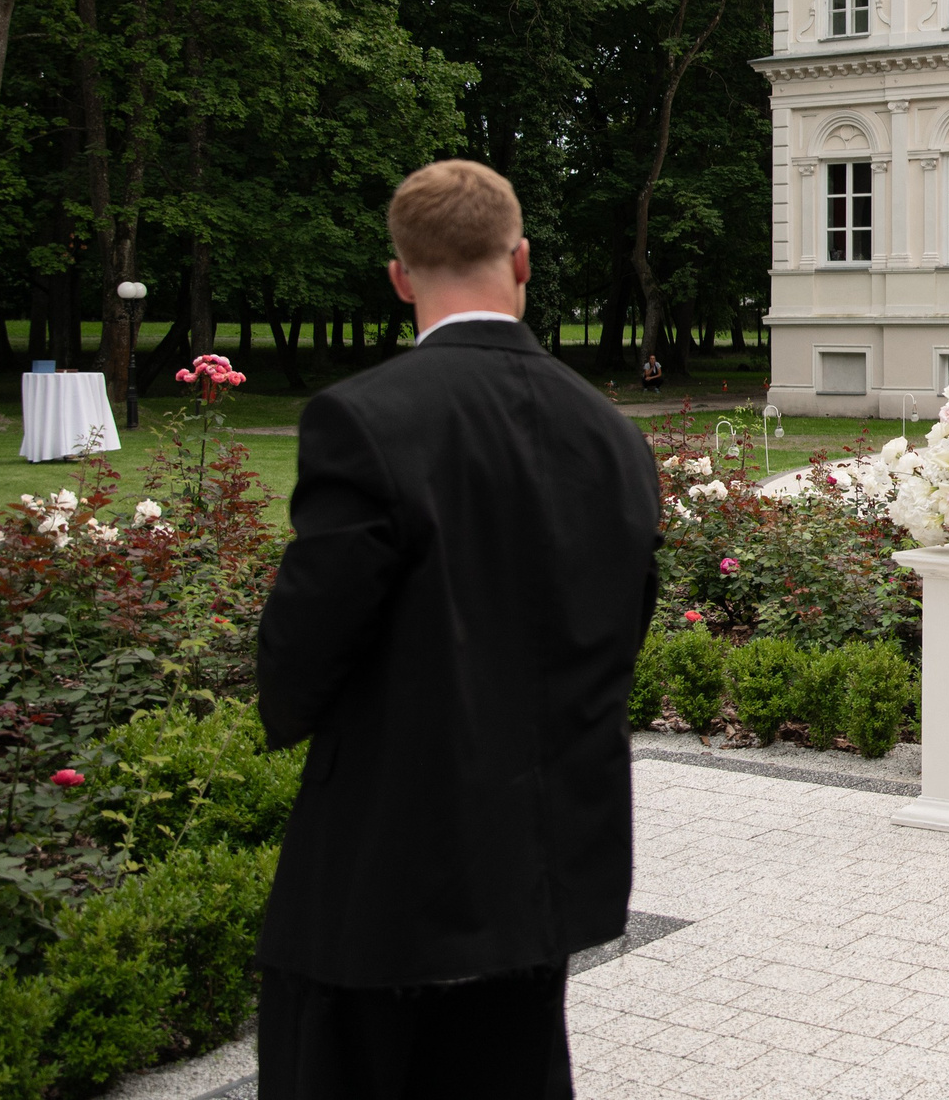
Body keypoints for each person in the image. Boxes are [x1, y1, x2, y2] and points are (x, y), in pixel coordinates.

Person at [256, 160, 662, 1099]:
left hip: (386, 877)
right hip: (545, 871)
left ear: (401, 274)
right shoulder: (611, 432)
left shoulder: (364, 419)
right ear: (522, 260)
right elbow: (620, 627)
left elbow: (299, 660)